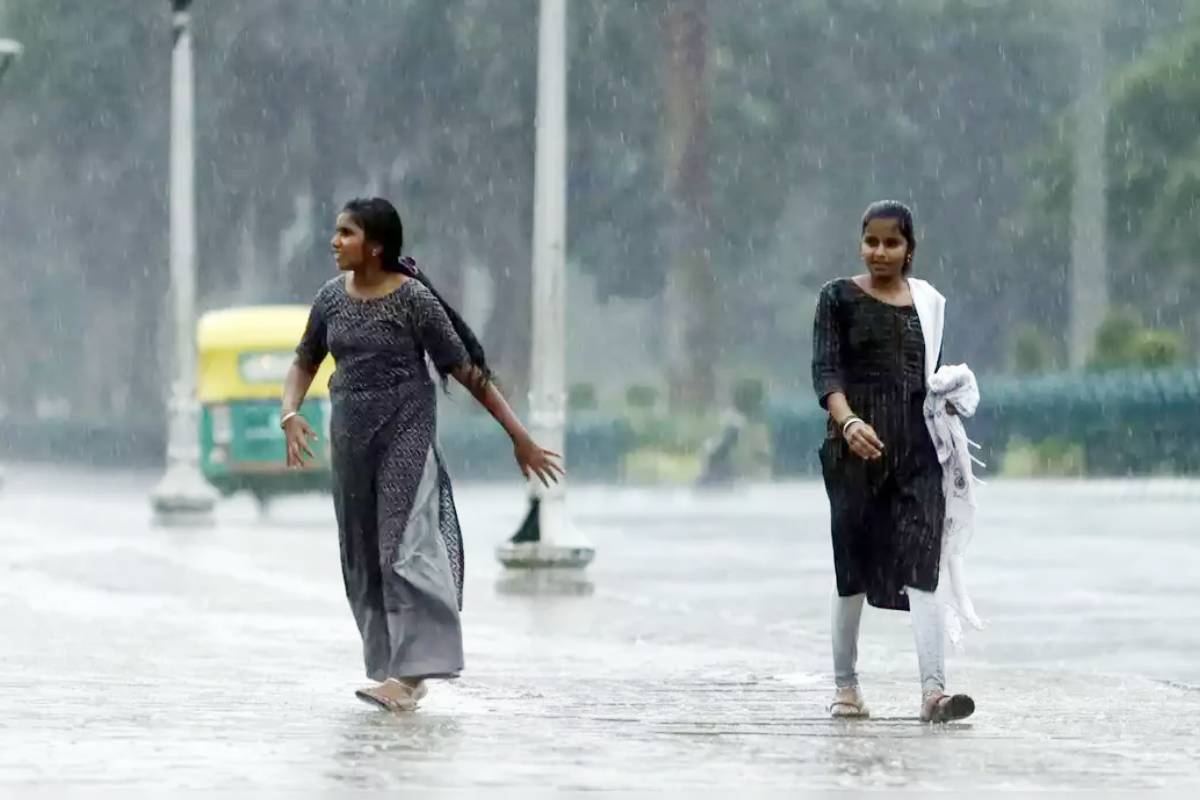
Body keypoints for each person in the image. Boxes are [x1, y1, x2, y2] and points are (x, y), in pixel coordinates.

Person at [281, 197, 563, 712]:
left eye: (346, 233)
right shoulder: (329, 300)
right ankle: (394, 667)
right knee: (364, 555)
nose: (334, 241)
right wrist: (289, 412)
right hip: (350, 440)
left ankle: (411, 676)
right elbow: (304, 361)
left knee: (402, 549)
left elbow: (465, 370)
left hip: (405, 435)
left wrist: (518, 436)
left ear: (376, 246)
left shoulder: (413, 300)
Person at [811, 200, 975, 723]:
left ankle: (934, 694)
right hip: (853, 451)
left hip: (919, 453)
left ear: (910, 250)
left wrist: (950, 390)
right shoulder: (836, 298)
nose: (879, 252)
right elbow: (826, 373)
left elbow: (924, 376)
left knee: (923, 566)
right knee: (851, 569)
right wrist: (849, 422)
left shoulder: (928, 303)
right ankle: (846, 687)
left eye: (891, 243)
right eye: (871, 242)